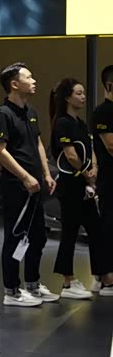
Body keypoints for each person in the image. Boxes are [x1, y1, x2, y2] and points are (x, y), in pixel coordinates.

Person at [0, 63, 59, 307]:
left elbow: (38, 143)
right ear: (14, 84)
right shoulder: (2, 115)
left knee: (38, 237)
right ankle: (11, 291)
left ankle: (33, 284)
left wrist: (45, 173)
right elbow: (0, 151)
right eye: (28, 77)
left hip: (35, 187)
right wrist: (25, 177)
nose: (34, 80)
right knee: (15, 238)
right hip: (15, 188)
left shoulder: (31, 111)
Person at [49, 78, 104, 299]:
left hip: (85, 186)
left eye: (83, 93)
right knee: (69, 233)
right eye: (78, 93)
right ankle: (68, 281)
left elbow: (90, 149)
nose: (83, 97)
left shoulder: (80, 123)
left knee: (96, 230)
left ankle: (102, 276)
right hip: (71, 187)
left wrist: (94, 170)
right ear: (67, 97)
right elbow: (71, 155)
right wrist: (85, 172)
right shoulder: (62, 123)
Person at [90, 65, 113, 296]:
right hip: (109, 180)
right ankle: (107, 279)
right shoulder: (104, 112)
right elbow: (111, 145)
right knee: (108, 227)